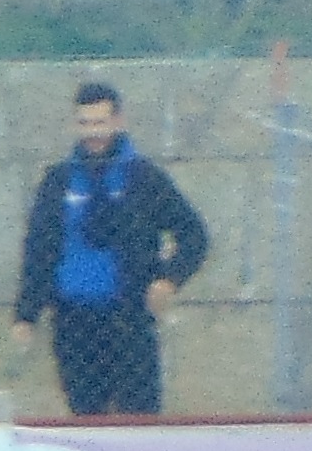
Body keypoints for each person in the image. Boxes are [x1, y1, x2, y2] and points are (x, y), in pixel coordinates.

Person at [11, 82, 209, 417]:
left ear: (119, 122)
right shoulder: (57, 182)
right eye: (85, 124)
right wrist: (25, 314)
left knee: (140, 418)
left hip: (128, 320)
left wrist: (169, 280)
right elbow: (38, 251)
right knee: (86, 420)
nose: (93, 133)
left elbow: (194, 236)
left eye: (100, 123)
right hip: (74, 323)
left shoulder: (144, 179)